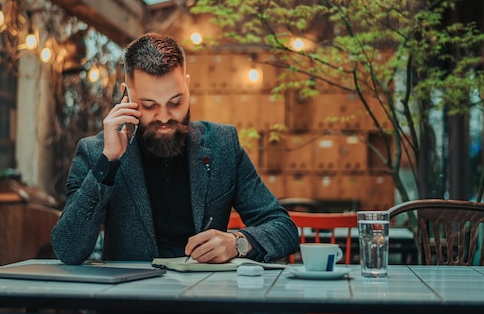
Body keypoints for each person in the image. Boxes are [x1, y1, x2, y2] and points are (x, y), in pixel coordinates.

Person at [51, 32, 299, 265]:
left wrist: (238, 243)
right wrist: (108, 163)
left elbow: (283, 227)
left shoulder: (223, 144)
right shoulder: (96, 153)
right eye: (149, 105)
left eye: (176, 101)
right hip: (131, 303)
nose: (164, 116)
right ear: (126, 96)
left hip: (204, 300)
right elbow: (67, 249)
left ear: (187, 86)